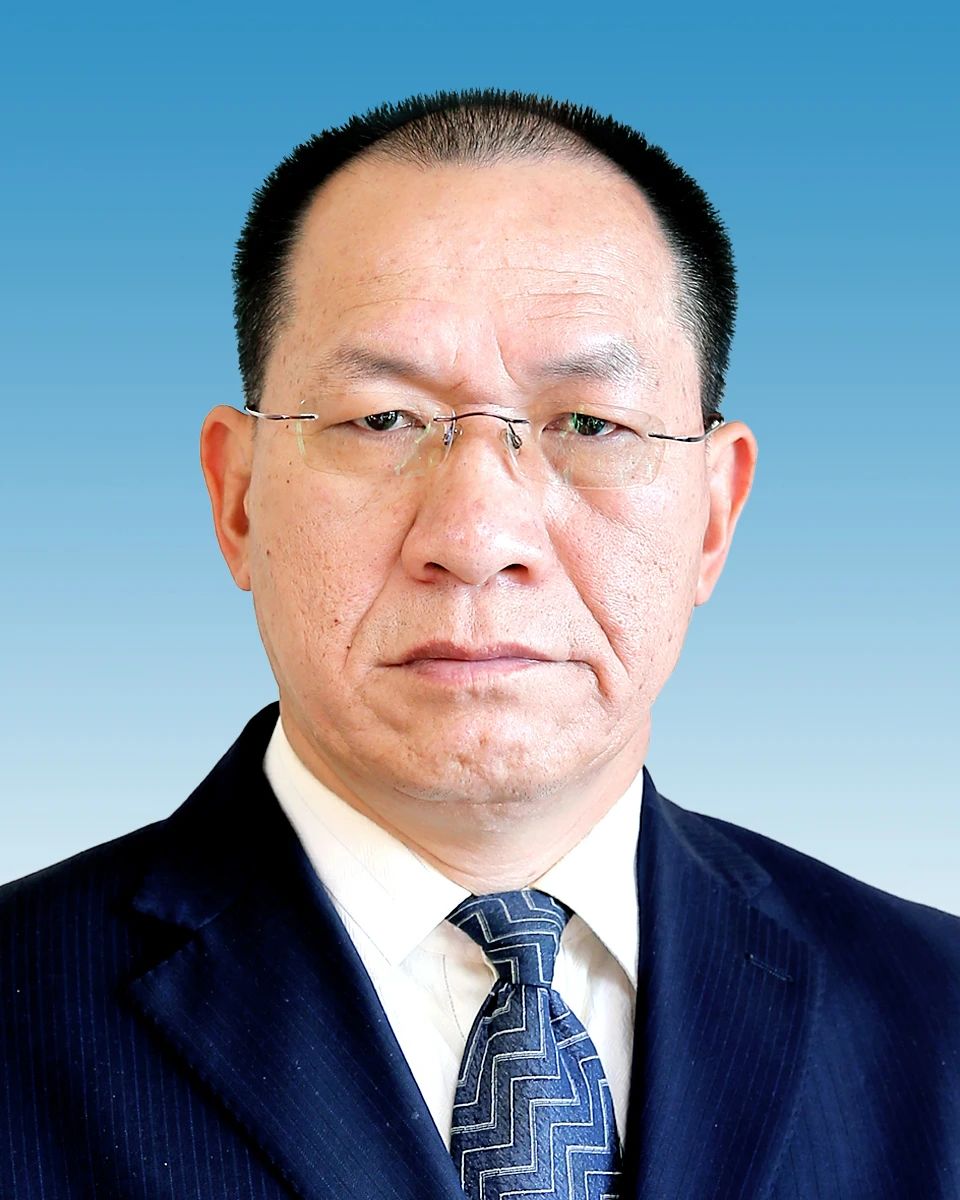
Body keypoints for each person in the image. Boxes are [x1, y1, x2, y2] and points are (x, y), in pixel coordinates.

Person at [1, 90, 957, 1200]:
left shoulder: (934, 1011)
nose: (476, 538)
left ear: (713, 513)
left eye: (588, 425)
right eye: (382, 420)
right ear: (239, 497)